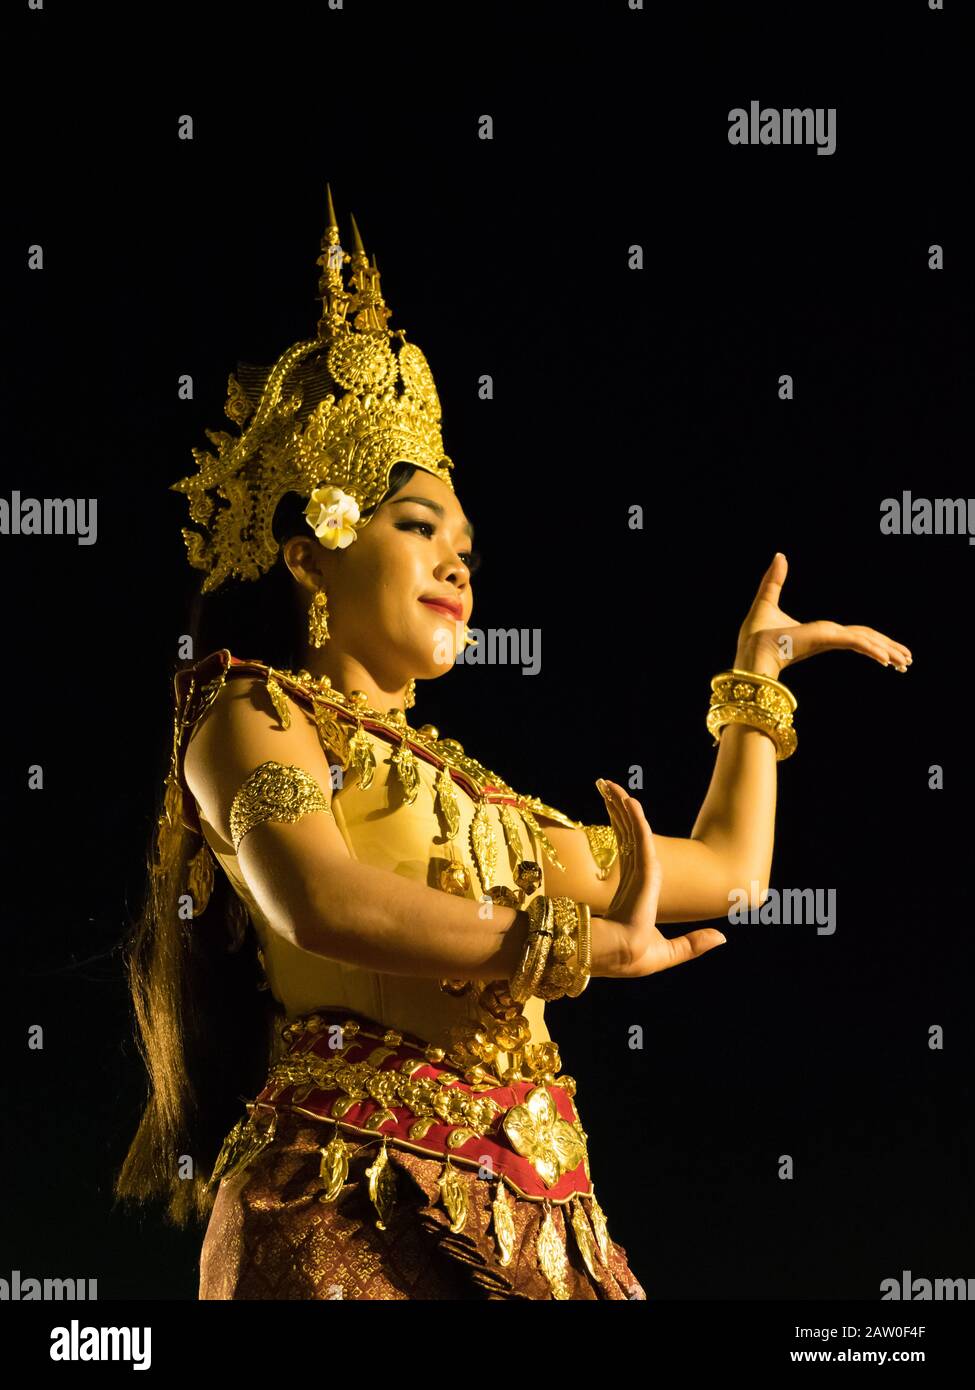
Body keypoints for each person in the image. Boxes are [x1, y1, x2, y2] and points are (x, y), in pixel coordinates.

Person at [113, 186, 913, 1301]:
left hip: (540, 1227)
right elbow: (318, 901)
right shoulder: (249, 714)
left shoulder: (488, 808)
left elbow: (731, 871)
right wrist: (568, 947)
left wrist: (753, 691)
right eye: (417, 528)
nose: (457, 564)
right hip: (348, 1209)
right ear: (311, 554)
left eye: (468, 549)